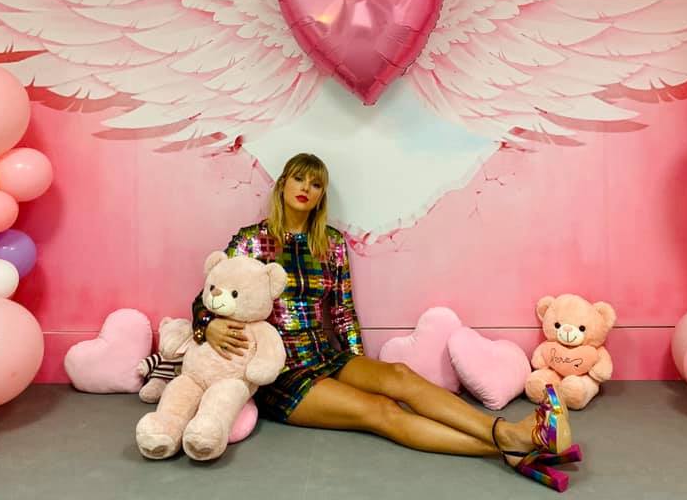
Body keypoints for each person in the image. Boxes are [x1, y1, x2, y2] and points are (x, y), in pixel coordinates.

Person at [192, 153, 581, 491]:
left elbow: (342, 313)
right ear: (282, 185)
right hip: (278, 371)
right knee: (381, 411)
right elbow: (208, 296)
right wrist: (207, 324)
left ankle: (509, 437)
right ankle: (509, 441)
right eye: (299, 178)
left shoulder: (330, 243)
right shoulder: (250, 241)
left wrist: (360, 366)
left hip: (326, 354)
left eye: (316, 183)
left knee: (399, 376)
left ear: (321, 196)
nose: (306, 188)